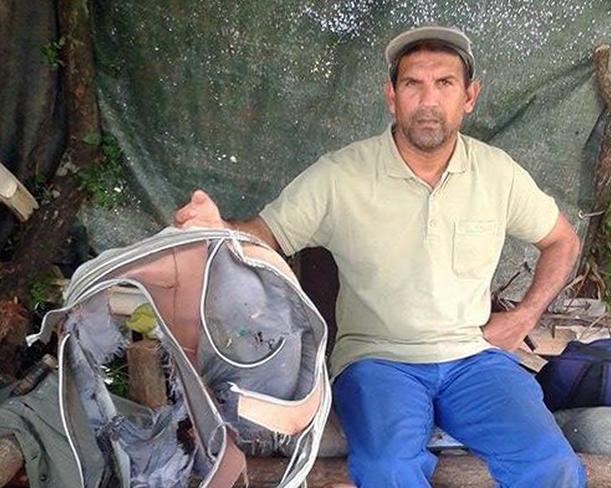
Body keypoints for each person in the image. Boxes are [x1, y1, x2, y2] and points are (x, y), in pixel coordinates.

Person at [175, 25, 586, 487]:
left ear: (469, 96)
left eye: (445, 84)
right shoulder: (341, 174)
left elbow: (562, 240)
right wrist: (218, 226)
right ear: (391, 96)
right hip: (377, 360)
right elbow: (265, 235)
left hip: (476, 357)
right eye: (413, 84)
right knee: (387, 468)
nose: (428, 100)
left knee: (552, 465)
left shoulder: (497, 173)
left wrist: (527, 315)